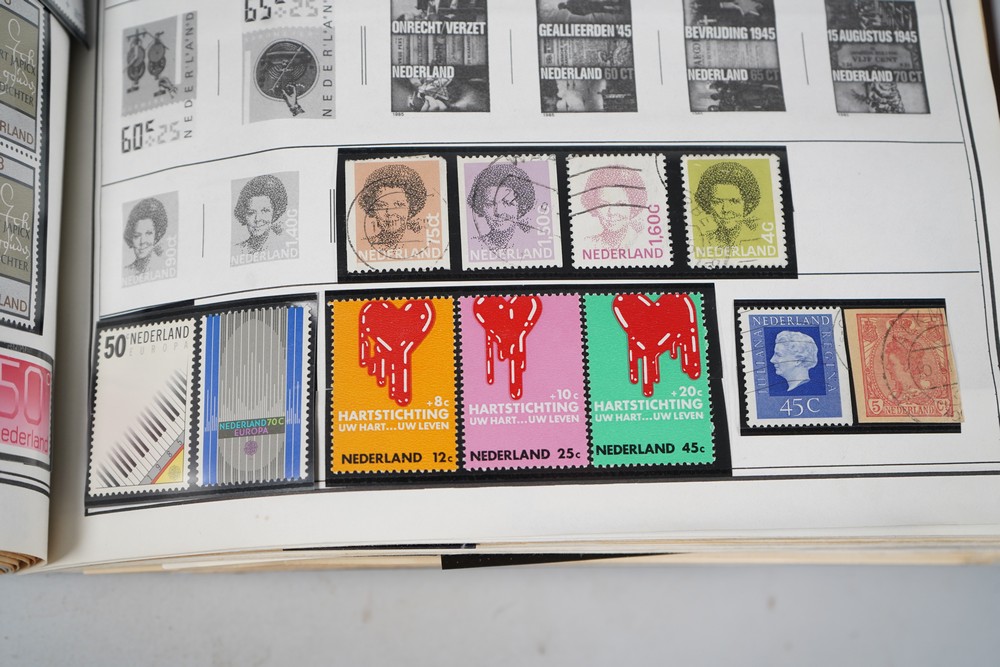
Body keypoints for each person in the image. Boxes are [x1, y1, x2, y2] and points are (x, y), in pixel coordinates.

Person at [467, 162, 536, 252]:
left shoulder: (531, 243)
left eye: (507, 203)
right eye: (490, 204)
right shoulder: (474, 245)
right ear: (481, 206)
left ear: (521, 206)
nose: (498, 212)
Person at [358, 164, 428, 252]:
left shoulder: (422, 244)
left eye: (398, 205)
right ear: (372, 208)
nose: (390, 213)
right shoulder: (365, 246)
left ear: (411, 207)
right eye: (382, 206)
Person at [693, 160, 762, 248]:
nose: (725, 209)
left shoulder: (759, 239)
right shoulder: (702, 242)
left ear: (747, 203)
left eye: (734, 201)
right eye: (717, 202)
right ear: (708, 204)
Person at [579, 166, 647, 248]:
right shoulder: (587, 244)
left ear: (633, 205)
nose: (612, 212)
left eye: (620, 204)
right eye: (604, 205)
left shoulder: (642, 242)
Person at [234, 174, 289, 254]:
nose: (257, 219)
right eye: (251, 213)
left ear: (275, 213)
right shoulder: (237, 250)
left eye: (265, 211)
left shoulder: (283, 245)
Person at [124, 197, 168, 276]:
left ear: (156, 235)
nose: (142, 241)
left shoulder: (164, 267)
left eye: (148, 233)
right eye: (137, 236)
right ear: (131, 238)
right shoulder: (126, 272)